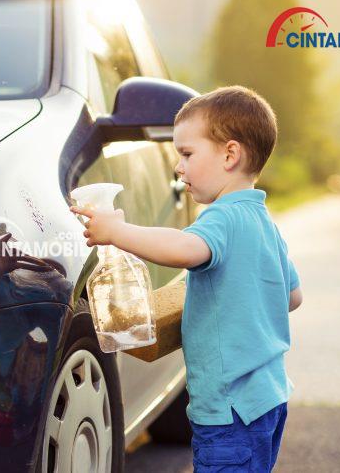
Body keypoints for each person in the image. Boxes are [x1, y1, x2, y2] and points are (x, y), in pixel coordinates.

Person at [70, 86, 303, 472]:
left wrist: (117, 233)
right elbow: (292, 296)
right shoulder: (264, 222)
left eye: (187, 154)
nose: (178, 168)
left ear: (230, 154)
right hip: (267, 398)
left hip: (229, 409)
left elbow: (184, 248)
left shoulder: (221, 218)